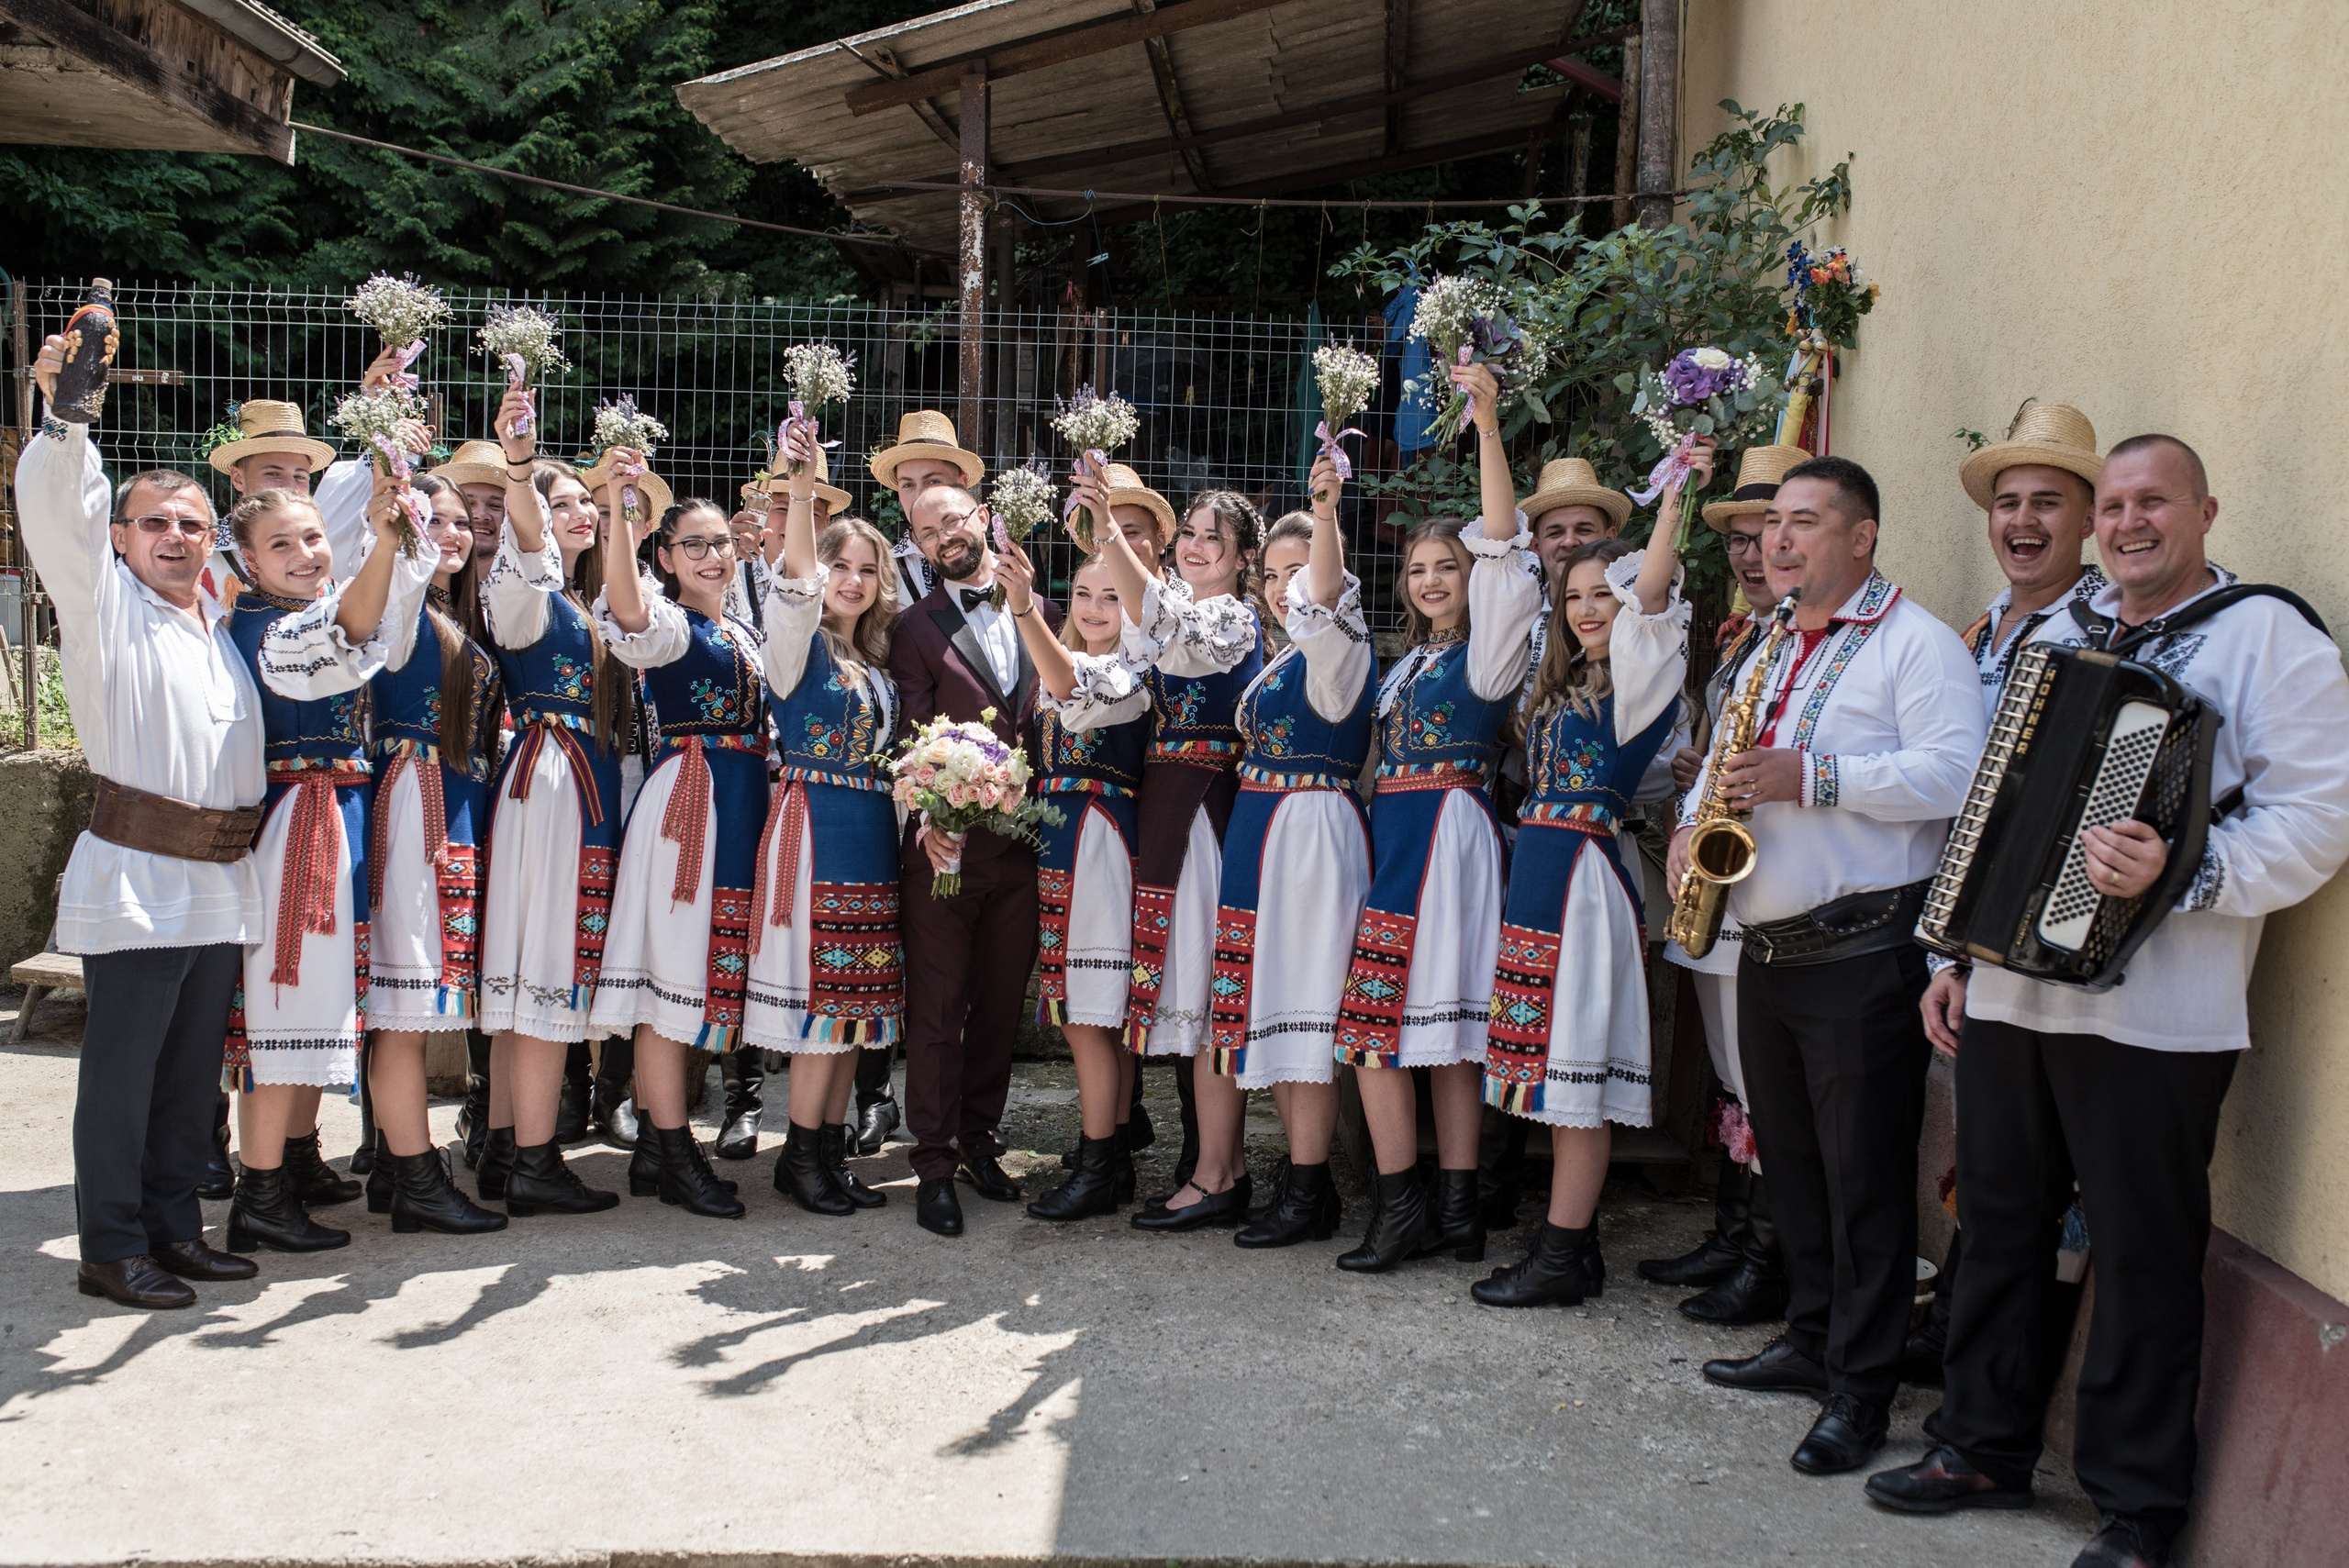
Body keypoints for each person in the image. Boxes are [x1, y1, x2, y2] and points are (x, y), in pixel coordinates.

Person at [1867, 436, 2349, 1568]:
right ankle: (1981, 1440)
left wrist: (2179, 871)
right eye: (2117, 505)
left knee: (2141, 1247)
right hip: (2012, 995)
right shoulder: (2057, 630)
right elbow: (1994, 805)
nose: (2130, 522)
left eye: (2153, 503)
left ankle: (2135, 1505)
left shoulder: (2265, 636)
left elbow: (2317, 816)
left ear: (2204, 511)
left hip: (2159, 1008)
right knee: (1996, 1226)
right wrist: (1955, 949)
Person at [1675, 456, 1985, 1476]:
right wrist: (1689, 832)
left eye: (1803, 522)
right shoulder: (1767, 645)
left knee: (1861, 1184)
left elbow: (1952, 774)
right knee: (1795, 1168)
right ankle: (1811, 1340)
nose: (1778, 540)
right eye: (1773, 525)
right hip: (1768, 947)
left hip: (1864, 951)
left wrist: (1815, 773)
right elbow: (1725, 762)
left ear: (1861, 535)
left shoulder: (1917, 644)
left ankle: (1861, 1387)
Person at [17, 341, 262, 1308]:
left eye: (192, 523)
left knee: (188, 1078)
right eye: (153, 522)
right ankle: (110, 1245)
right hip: (137, 875)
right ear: (120, 538)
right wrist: (69, 423)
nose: (175, 535)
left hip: (217, 880)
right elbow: (61, 517)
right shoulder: (103, 606)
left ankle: (173, 1227)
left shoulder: (214, 620)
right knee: (123, 1079)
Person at [1470, 440, 1708, 1308]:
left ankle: (1565, 1252)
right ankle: (1568, 1245)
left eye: (1601, 594)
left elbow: (1651, 600)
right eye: (1571, 597)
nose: (1586, 609)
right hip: (1543, 870)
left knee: (1577, 1075)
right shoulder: (1562, 690)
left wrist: (1675, 489)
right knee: (1551, 1063)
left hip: (1582, 879)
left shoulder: (1642, 683)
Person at [1333, 362, 1543, 1270]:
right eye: (1416, 568)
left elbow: (1503, 541)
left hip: (1449, 835)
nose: (1428, 579)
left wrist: (1487, 426)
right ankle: (1452, 1214)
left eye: (1445, 567)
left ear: (1472, 578)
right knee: (1437, 1034)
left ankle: (1411, 1206)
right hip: (1402, 835)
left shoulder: (1491, 656)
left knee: (1385, 1031)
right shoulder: (1411, 661)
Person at [218, 470, 436, 1251]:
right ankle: (261, 1195)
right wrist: (386, 539)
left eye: (313, 536)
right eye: (281, 544)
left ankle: (286, 1171)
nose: (305, 552)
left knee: (311, 1005)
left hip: (326, 813)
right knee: (287, 1008)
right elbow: (350, 631)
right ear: (244, 558)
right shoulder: (268, 629)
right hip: (299, 826)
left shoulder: (287, 613)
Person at [1640, 442, 1809, 1326]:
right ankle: (1735, 1232)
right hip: (1717, 877)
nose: (1751, 554)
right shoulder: (1748, 635)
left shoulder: (1812, 638)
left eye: (1768, 534)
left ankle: (1766, 1259)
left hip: (1774, 892)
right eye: (1741, 538)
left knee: (1762, 1076)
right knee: (1733, 1075)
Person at [1077, 473, 1264, 1223]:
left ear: (1243, 558)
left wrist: (1107, 532)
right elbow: (1109, 685)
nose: (1194, 545)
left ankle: (1219, 1173)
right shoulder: (1176, 620)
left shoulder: (1231, 622)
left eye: (1212, 538)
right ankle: (1217, 1164)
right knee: (1189, 997)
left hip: (1203, 815)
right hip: (1166, 813)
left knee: (1206, 998)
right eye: (1188, 533)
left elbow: (1165, 627)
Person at [1203, 473, 1378, 1246]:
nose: (1283, 591)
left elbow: (1327, 600)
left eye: (1298, 573)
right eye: (1271, 575)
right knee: (1271, 1005)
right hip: (1264, 829)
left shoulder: (1335, 645)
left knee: (1302, 1006)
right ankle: (1303, 1183)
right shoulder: (1281, 659)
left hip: (1307, 836)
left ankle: (1310, 1191)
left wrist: (1327, 515)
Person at [585, 488, 769, 1220]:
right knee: (671, 982)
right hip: (692, 805)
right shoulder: (667, 625)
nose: (712, 555)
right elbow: (627, 609)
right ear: (664, 557)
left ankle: (658, 1151)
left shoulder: (741, 630)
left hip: (739, 800)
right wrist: (619, 515)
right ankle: (673, 1144)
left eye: (720, 541)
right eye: (692, 544)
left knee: (700, 974)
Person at [889, 484, 1061, 1237]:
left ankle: (980, 1142)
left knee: (999, 1006)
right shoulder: (912, 628)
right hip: (946, 847)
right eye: (925, 532)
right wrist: (932, 818)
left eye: (951, 521)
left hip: (1022, 846)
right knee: (937, 1007)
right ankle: (930, 1162)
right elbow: (912, 735)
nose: (941, 538)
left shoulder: (1043, 608)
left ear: (983, 517)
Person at [744, 423, 905, 1216]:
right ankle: (801, 1154)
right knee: (821, 998)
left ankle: (827, 1151)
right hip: (816, 827)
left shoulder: (872, 660)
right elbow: (795, 584)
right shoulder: (795, 646)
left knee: (855, 1002)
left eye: (866, 569)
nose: (850, 579)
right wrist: (805, 491)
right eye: (841, 565)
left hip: (868, 828)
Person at [474, 389, 629, 1218]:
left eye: (584, 504)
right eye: (561, 502)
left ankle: (505, 1148)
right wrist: (525, 468)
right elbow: (527, 540)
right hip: (553, 782)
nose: (577, 514)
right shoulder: (526, 589)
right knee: (540, 971)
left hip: (570, 781)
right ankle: (535, 1159)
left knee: (522, 977)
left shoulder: (578, 601)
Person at [356, 473, 508, 1235]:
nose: (451, 533)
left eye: (459, 521)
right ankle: (416, 1178)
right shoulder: (405, 607)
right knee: (404, 1010)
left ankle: (394, 1166)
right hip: (416, 805)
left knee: (412, 1005)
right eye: (434, 520)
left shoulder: (453, 613)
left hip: (450, 803)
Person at [996, 538, 1154, 1221]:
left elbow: (1071, 691)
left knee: (1089, 1016)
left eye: (1112, 595)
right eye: (1085, 593)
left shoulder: (1132, 671)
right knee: (1093, 1014)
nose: (1094, 607)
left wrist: (1023, 606)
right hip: (1063, 834)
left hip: (1100, 835)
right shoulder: (1058, 664)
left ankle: (1098, 1163)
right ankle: (1109, 1154)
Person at [862, 411, 985, 1149]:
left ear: (966, 493)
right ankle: (884, 1100)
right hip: (911, 789)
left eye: (932, 482)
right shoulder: (885, 573)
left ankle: (974, 1130)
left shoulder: (1005, 576)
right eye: (907, 486)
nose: (918, 497)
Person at [425, 440, 513, 1169]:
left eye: (490, 505)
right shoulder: (426, 583)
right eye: (465, 506)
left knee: (483, 953)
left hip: (492, 788)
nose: (478, 519)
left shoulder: (510, 584)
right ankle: (384, 1142)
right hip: (430, 788)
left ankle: (486, 1108)